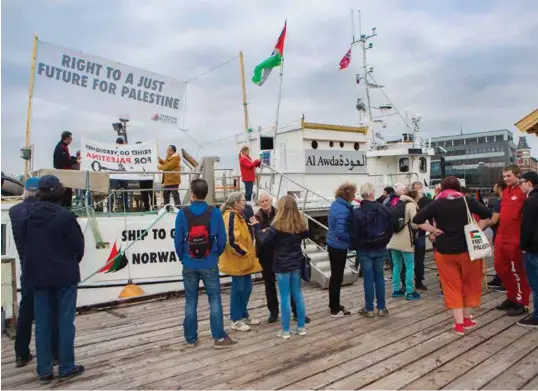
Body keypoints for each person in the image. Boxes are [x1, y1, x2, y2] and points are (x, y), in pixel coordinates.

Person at [22, 175, 85, 381]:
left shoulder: (28, 216)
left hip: (38, 276)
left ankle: (44, 370)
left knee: (42, 324)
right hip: (64, 275)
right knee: (66, 322)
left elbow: (24, 246)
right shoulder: (65, 216)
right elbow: (78, 246)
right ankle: (66, 366)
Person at [413, 176, 492, 335]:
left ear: (442, 188)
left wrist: (433, 230)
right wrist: (477, 228)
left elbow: (417, 220)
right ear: (458, 188)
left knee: (451, 286)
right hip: (468, 250)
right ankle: (468, 318)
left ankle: (459, 324)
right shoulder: (467, 201)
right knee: (469, 283)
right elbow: (487, 214)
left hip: (444, 251)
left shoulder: (436, 203)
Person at [174, 179, 237, 348]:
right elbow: (222, 240)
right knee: (214, 299)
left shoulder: (183, 213)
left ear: (192, 194)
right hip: (209, 262)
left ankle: (191, 339)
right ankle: (218, 338)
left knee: (190, 300)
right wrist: (215, 254)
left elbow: (178, 241)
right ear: (206, 193)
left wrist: (184, 257)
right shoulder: (214, 212)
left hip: (189, 263)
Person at [9, 178, 59, 368]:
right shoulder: (43, 212)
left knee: (25, 313)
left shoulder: (14, 211)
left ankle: (21, 353)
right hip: (46, 268)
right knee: (50, 313)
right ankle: (53, 354)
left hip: (26, 268)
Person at [253, 195, 309, 338]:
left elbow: (264, 243)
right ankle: (301, 327)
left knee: (284, 296)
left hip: (281, 264)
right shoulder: (300, 224)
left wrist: (257, 228)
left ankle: (285, 330)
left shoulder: (276, 226)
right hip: (296, 262)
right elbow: (306, 234)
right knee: (297, 294)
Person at [219, 192, 262, 331]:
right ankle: (235, 319)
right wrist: (244, 252)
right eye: (243, 200)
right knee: (238, 289)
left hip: (244, 260)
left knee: (247, 288)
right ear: (236, 202)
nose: (245, 203)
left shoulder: (238, 215)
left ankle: (243, 314)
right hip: (237, 259)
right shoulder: (231, 216)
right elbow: (231, 240)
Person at [351, 183, 393, 317]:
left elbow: (353, 233)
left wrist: (356, 245)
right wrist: (385, 240)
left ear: (362, 194)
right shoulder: (384, 209)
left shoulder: (357, 212)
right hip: (380, 247)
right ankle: (381, 307)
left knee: (368, 279)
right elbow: (392, 227)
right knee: (379, 277)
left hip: (364, 249)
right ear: (373, 193)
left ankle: (369, 309)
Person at [495, 164, 531, 316]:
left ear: (517, 175)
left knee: (517, 271)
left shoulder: (523, 192)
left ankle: (522, 302)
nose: (506, 179)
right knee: (501, 269)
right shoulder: (506, 192)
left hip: (515, 237)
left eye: (509, 176)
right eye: (504, 176)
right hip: (501, 236)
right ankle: (511, 297)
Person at [327, 182, 356, 317]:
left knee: (335, 276)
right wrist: (352, 239)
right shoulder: (344, 210)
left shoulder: (335, 205)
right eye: (353, 194)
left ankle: (333, 303)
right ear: (348, 195)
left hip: (332, 243)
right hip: (339, 246)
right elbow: (341, 231)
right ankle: (335, 309)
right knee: (337, 277)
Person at [387, 186, 421, 301]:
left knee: (397, 265)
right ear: (414, 197)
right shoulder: (411, 205)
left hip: (393, 239)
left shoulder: (397, 203)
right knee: (410, 266)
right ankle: (410, 292)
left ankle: (396, 290)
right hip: (406, 240)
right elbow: (414, 224)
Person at [517, 171, 538, 328]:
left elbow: (527, 227)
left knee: (535, 282)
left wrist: (522, 245)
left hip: (534, 247)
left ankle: (537, 316)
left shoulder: (531, 201)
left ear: (530, 183)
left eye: (521, 182)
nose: (520, 185)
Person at [409, 181, 431, 290]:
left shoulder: (427, 201)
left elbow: (431, 216)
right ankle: (407, 281)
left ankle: (419, 280)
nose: (417, 190)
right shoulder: (409, 201)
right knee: (408, 258)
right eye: (415, 188)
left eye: (419, 188)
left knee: (419, 258)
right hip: (409, 234)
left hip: (421, 233)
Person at [487, 181, 507, 292]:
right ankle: (499, 279)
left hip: (499, 234)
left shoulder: (498, 202)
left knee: (500, 260)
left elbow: (494, 220)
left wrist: (483, 224)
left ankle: (502, 281)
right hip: (505, 233)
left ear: (499, 188)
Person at [52, 131, 79, 208]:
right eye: (70, 138)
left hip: (66, 173)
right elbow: (66, 161)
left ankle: (67, 208)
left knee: (68, 192)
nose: (71, 140)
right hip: (63, 173)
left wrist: (75, 158)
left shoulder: (64, 147)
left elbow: (68, 158)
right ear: (66, 139)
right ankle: (66, 209)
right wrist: (76, 161)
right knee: (66, 192)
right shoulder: (60, 148)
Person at [108, 137, 129, 212]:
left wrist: (127, 147)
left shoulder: (126, 150)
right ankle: (110, 208)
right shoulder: (113, 150)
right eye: (119, 143)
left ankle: (125, 207)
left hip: (123, 174)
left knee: (124, 191)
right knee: (113, 191)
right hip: (115, 175)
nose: (120, 144)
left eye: (121, 143)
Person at [137, 141, 156, 211]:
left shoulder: (147, 153)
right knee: (144, 193)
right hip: (141, 177)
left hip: (148, 176)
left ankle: (154, 206)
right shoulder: (135, 155)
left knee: (151, 192)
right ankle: (146, 207)